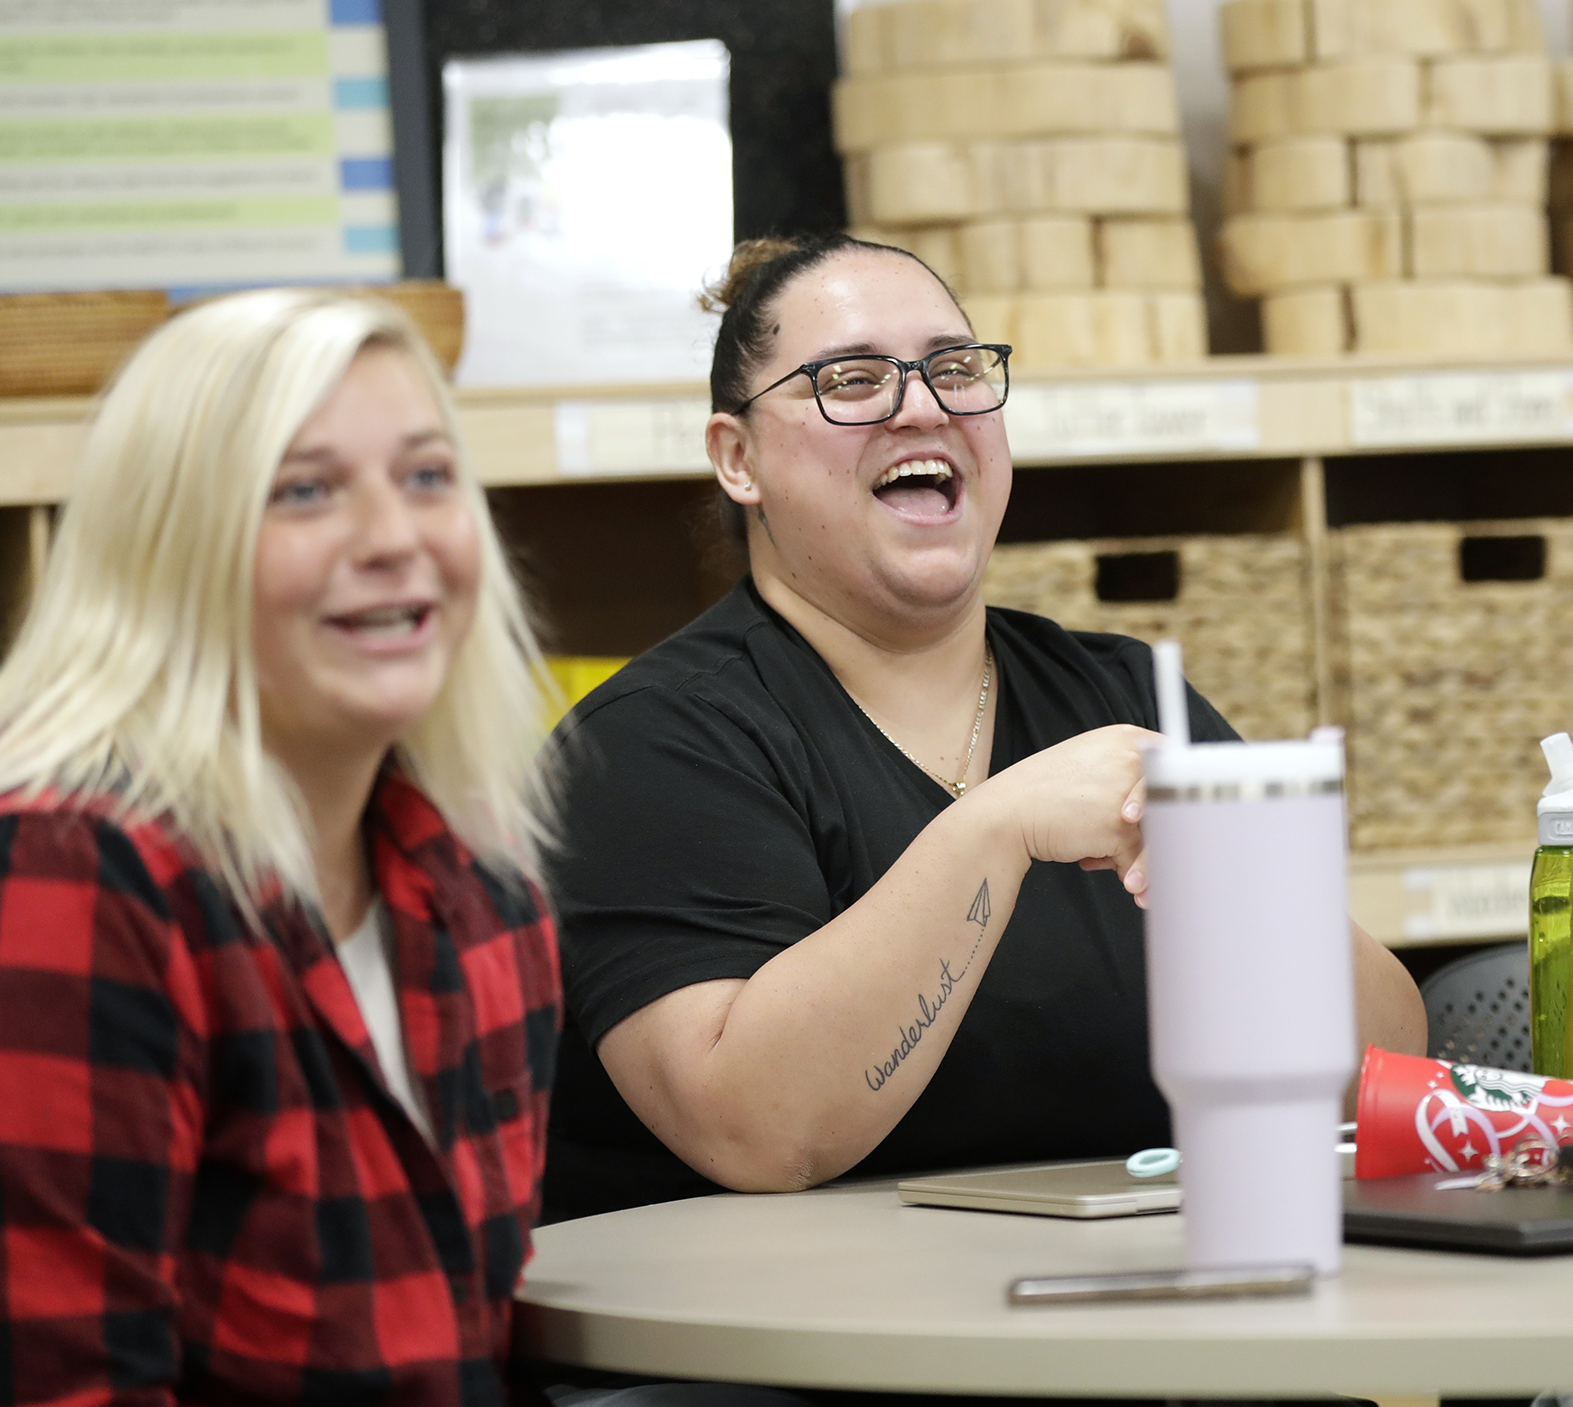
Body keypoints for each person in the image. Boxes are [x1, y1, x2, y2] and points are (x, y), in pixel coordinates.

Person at [546, 233, 1426, 1220]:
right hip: (809, 1358)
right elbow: (758, 1129)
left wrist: (1247, 877)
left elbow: (1380, 1077)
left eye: (955, 368)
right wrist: (995, 829)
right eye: (853, 377)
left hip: (1154, 1326)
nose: (923, 404)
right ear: (738, 458)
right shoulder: (653, 744)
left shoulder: (1125, 693)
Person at [0, 291, 563, 1404]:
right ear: (168, 548)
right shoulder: (41, 872)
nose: (394, 538)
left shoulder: (480, 884)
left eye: (428, 476)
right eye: (305, 491)